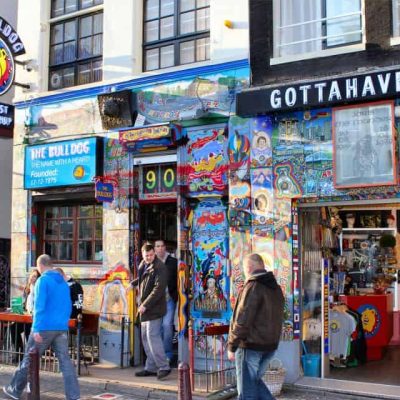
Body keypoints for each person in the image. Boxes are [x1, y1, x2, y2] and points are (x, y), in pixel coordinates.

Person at [3, 254, 80, 400]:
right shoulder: (63, 283)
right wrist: (62, 323)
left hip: (44, 328)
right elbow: (68, 307)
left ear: (40, 266)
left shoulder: (42, 281)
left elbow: (39, 307)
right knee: (66, 363)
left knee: (28, 360)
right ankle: (74, 396)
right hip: (61, 328)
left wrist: (36, 329)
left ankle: (14, 391)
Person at [228, 253, 284, 400]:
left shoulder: (253, 286)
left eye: (244, 268)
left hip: (251, 345)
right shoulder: (276, 288)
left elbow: (243, 319)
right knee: (254, 383)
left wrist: (232, 345)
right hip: (269, 345)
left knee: (247, 391)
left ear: (249, 267)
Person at [129, 243, 171, 380]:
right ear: (143, 254)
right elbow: (143, 279)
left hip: (154, 308)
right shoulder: (143, 264)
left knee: (153, 338)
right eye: (146, 255)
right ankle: (151, 367)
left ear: (154, 253)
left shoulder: (160, 267)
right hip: (145, 308)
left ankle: (164, 366)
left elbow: (158, 289)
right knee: (145, 338)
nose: (149, 257)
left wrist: (145, 305)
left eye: (151, 255)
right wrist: (133, 284)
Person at [154, 240, 177, 363]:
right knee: (158, 328)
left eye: (162, 246)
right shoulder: (152, 262)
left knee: (167, 325)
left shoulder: (173, 262)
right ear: (155, 249)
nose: (160, 248)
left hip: (169, 300)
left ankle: (168, 353)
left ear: (165, 248)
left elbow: (180, 278)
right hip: (156, 302)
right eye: (158, 246)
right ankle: (160, 354)